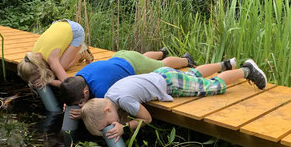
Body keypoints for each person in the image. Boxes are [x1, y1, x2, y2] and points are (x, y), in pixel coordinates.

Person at [81, 59, 267, 141]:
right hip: (159, 74)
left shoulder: (125, 101)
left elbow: (147, 119)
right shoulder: (108, 97)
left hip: (170, 84)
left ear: (107, 110)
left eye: (109, 123)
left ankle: (247, 70)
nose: (113, 125)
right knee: (193, 75)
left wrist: (125, 127)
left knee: (212, 86)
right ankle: (224, 64)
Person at [60, 49, 226, 119]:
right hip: (122, 57)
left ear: (86, 91)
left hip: (133, 66)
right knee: (144, 57)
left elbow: (103, 109)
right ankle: (161, 52)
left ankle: (186, 59)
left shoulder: (102, 90)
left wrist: (83, 112)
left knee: (163, 65)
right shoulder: (79, 76)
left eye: (80, 102)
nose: (80, 105)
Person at [17, 19, 92, 89]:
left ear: (38, 69)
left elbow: (68, 84)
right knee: (56, 66)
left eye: (37, 78)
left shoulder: (51, 60)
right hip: (59, 26)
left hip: (75, 31)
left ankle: (82, 52)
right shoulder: (32, 56)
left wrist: (48, 81)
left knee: (62, 66)